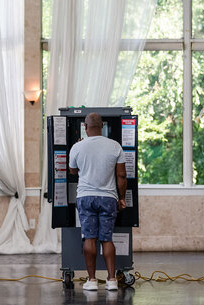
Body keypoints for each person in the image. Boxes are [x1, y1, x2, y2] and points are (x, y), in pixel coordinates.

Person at [69, 113, 127, 291]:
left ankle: (92, 280)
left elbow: (72, 171)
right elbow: (122, 175)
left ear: (85, 127)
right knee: (106, 239)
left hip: (85, 197)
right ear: (102, 125)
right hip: (108, 198)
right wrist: (122, 197)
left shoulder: (77, 147)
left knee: (89, 238)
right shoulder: (115, 146)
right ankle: (111, 280)